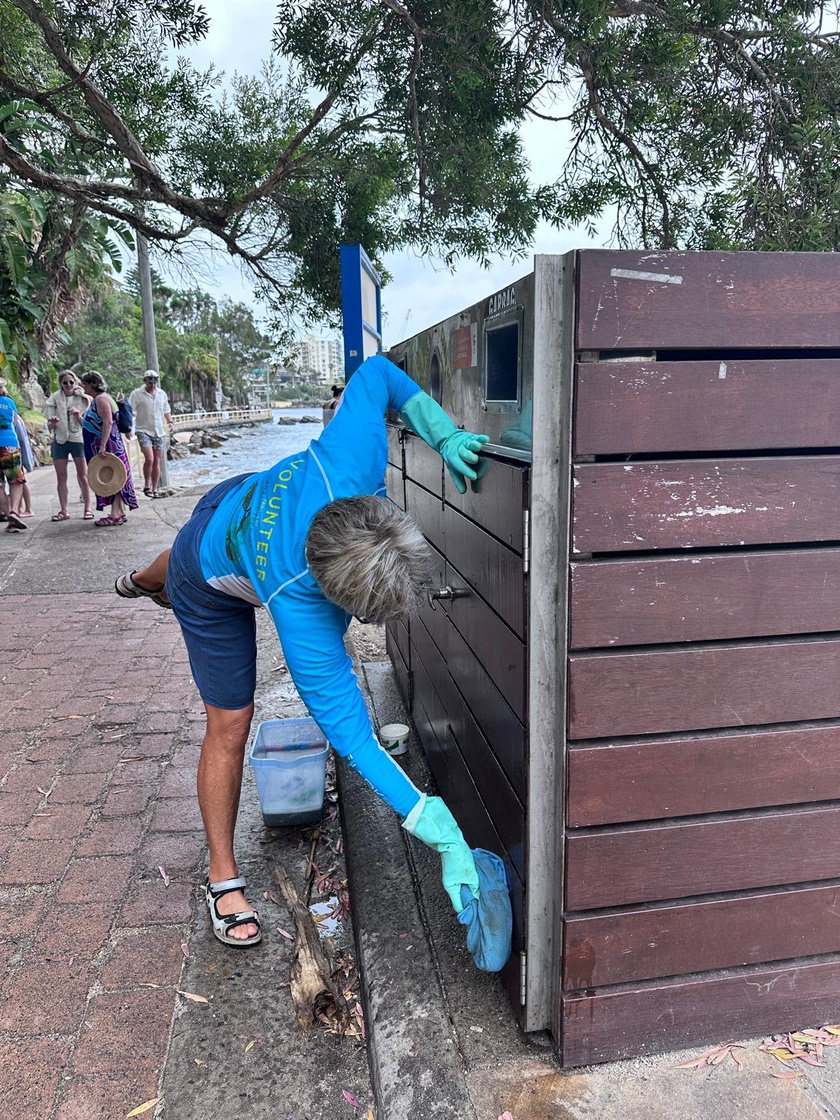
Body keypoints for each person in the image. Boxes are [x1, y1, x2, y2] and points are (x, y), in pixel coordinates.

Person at [116, 355, 489, 948]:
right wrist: (435, 826)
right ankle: (221, 877)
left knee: (192, 539)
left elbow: (378, 375)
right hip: (212, 584)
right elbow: (355, 740)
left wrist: (442, 434)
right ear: (338, 603)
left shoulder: (352, 461)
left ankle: (139, 580)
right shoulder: (302, 616)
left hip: (235, 495)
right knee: (231, 723)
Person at [80, 371, 138, 527]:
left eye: (84, 384)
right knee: (112, 477)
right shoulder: (99, 399)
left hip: (108, 445)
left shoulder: (101, 400)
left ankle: (115, 514)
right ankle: (118, 512)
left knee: (112, 477)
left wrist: (103, 445)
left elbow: (108, 422)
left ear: (92, 385)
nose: (82, 386)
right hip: (105, 444)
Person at [44, 371, 95, 521]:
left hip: (77, 438)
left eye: (71, 382)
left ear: (76, 383)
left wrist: (78, 415)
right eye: (65, 382)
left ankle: (88, 508)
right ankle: (64, 510)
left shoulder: (83, 399)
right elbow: (50, 426)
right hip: (60, 439)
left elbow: (86, 424)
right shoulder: (54, 399)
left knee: (83, 476)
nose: (68, 385)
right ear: (60, 383)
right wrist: (52, 423)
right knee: (61, 477)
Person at [129, 370, 173, 498]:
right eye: (150, 383)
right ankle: (146, 485)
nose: (152, 386)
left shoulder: (162, 394)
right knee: (150, 458)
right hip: (143, 429)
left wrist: (170, 421)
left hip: (159, 430)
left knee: (157, 460)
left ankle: (155, 489)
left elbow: (166, 410)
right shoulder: (136, 394)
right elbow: (130, 410)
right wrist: (128, 427)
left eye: (154, 383)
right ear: (145, 381)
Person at [0, 378, 26, 532]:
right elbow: (16, 423)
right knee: (15, 481)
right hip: (9, 444)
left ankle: (9, 515)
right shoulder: (9, 403)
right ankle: (14, 512)